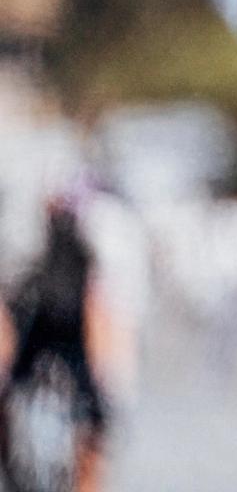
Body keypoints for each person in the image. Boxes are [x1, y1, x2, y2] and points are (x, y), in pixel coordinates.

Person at [0, 195, 122, 492]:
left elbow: (12, 314)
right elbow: (97, 315)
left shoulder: (37, 261)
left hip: (36, 345)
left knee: (6, 401)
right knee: (98, 422)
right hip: (71, 349)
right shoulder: (85, 257)